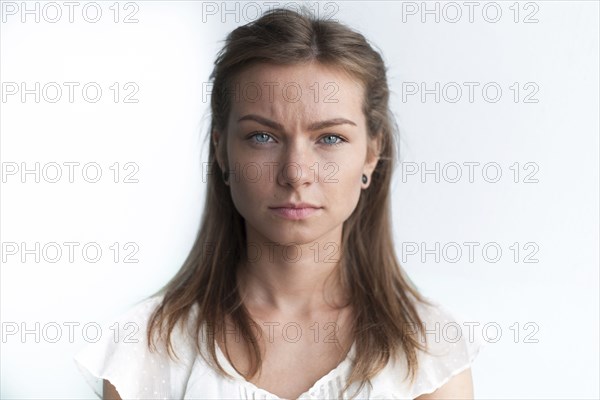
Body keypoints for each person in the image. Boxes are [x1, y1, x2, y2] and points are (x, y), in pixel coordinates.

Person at [74, 6, 483, 400]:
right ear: (221, 151)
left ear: (371, 155)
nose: (295, 172)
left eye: (330, 138)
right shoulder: (148, 348)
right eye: (262, 137)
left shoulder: (429, 348)